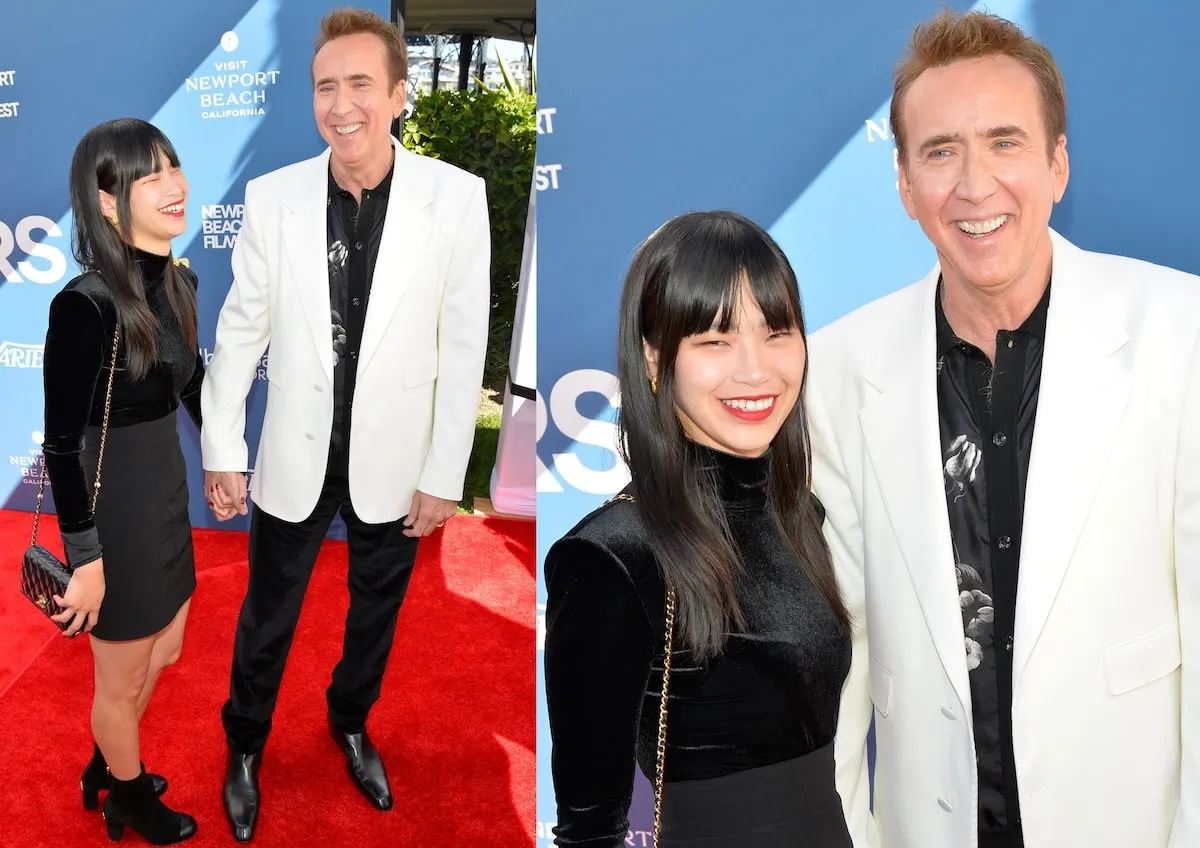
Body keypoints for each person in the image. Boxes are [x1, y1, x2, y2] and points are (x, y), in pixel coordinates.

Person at [807, 9, 1200, 848]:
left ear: (1059, 164)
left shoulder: (1181, 333)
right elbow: (834, 661)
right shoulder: (837, 367)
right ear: (906, 186)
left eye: (1006, 142)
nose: (974, 184)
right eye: (940, 150)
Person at [199, 8, 490, 842]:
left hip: (395, 459)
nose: (341, 103)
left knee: (376, 613)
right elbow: (240, 330)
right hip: (295, 449)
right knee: (268, 613)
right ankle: (245, 745)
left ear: (399, 94)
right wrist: (222, 443)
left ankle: (350, 721)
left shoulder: (455, 198)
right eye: (326, 86)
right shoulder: (273, 197)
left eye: (360, 83)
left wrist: (445, 472)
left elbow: (462, 346)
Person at [543, 211, 875, 847]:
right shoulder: (613, 557)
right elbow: (591, 831)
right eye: (715, 341)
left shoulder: (802, 515)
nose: (756, 371)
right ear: (653, 355)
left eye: (777, 333)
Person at [41, 118, 204, 844]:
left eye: (174, 167)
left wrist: (225, 461)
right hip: (116, 507)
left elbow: (189, 381)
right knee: (121, 678)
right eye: (151, 175)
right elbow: (60, 443)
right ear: (108, 202)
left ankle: (111, 763)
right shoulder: (86, 304)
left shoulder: (180, 279)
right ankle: (128, 795)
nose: (175, 186)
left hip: (166, 486)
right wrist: (87, 557)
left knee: (165, 649)